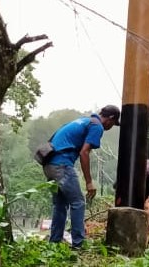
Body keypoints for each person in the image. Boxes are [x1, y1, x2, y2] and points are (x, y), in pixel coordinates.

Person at [43, 105, 121, 249]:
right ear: (110, 119)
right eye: (113, 123)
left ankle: (54, 243)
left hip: (49, 165)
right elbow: (84, 153)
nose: (111, 126)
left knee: (60, 204)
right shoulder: (97, 126)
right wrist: (89, 182)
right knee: (78, 203)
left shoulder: (84, 121)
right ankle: (78, 245)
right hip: (62, 164)